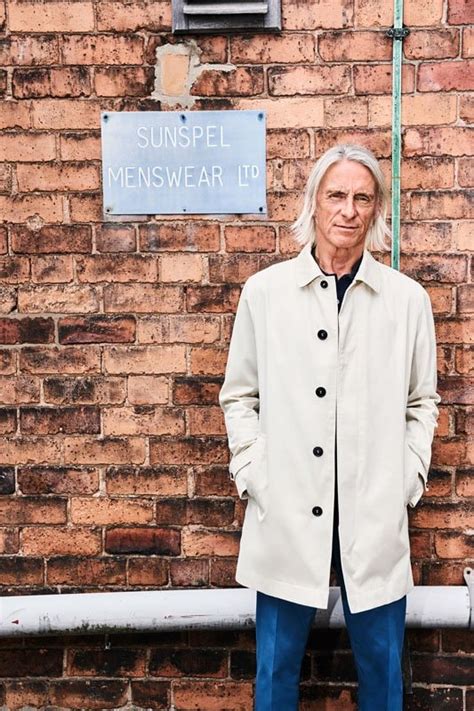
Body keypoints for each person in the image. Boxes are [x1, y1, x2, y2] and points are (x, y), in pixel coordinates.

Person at [219, 144, 440, 710]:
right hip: (286, 513)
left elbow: (422, 401)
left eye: (362, 198)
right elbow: (239, 395)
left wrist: (407, 478)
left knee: (384, 676)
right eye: (336, 195)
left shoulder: (406, 301)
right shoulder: (265, 293)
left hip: (374, 516)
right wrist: (255, 473)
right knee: (274, 674)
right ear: (313, 203)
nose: (348, 209)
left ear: (377, 209)